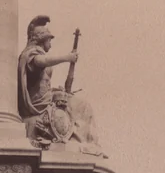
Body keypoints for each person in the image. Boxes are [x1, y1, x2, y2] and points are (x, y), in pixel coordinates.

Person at [17, 16, 103, 154]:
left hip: (47, 99)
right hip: (39, 105)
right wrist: (67, 58)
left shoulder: (35, 53)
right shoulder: (31, 54)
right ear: (42, 40)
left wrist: (57, 90)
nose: (50, 44)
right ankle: (85, 143)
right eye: (49, 40)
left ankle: (87, 142)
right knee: (82, 106)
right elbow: (41, 61)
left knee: (79, 103)